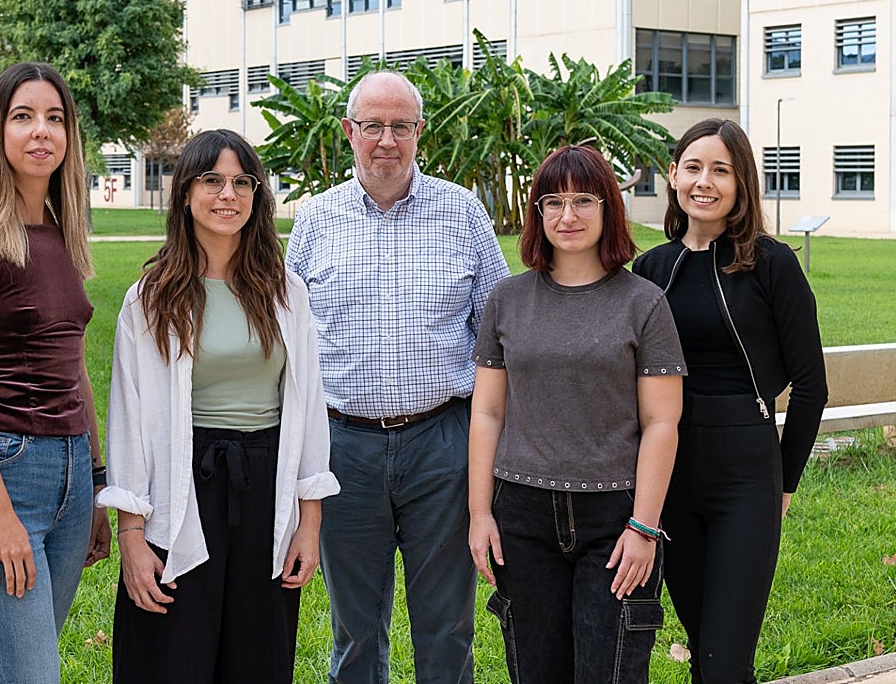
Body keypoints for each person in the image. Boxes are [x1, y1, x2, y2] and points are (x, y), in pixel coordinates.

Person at [286, 70, 509, 684]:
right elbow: (288, 338)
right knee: (355, 629)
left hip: (444, 445)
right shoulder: (315, 220)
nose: (386, 140)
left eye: (400, 127)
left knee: (447, 625)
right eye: (373, 126)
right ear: (349, 131)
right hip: (344, 447)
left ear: (419, 132)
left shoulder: (463, 212)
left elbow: (498, 336)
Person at [97, 128, 339, 683]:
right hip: (181, 485)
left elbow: (308, 408)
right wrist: (132, 536)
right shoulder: (151, 298)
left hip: (265, 485)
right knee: (170, 656)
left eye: (241, 182)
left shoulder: (285, 292)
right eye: (211, 180)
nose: (227, 194)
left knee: (257, 659)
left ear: (256, 196)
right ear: (185, 193)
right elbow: (130, 420)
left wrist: (309, 523)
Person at [467, 144, 685, 684]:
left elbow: (662, 423)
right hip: (522, 515)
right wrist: (479, 513)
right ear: (538, 213)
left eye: (584, 200)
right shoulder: (507, 299)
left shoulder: (644, 303)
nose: (568, 215)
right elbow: (488, 412)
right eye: (554, 202)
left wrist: (644, 527)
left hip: (616, 517)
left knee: (610, 673)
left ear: (609, 207)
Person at [0, 61, 110, 684]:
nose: (41, 131)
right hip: (0, 474)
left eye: (55, 118)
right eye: (23, 117)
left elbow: (73, 366)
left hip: (70, 479)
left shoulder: (63, 233)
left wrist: (95, 481)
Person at [633, 118, 828, 684]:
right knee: (704, 649)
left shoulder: (772, 264)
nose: (705, 182)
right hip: (670, 476)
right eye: (693, 167)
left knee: (724, 661)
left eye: (721, 170)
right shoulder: (651, 269)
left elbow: (811, 386)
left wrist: (784, 484)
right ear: (673, 175)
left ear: (742, 182)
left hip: (746, 475)